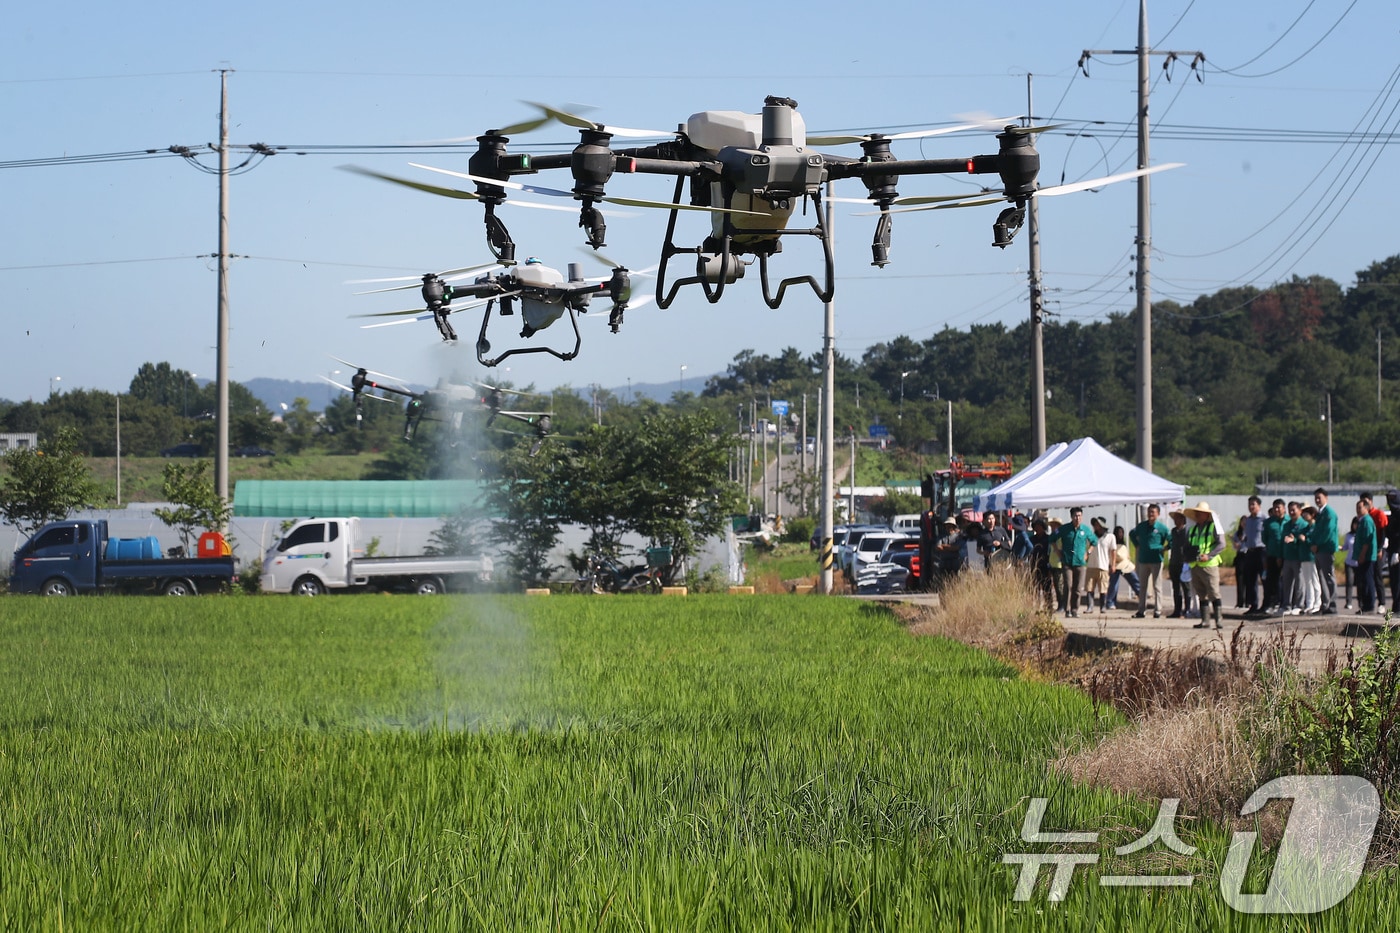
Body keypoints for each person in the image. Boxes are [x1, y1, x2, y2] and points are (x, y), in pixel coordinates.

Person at [1184, 500, 1227, 630]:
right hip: (1195, 564)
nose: (1198, 515)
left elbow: (1222, 544)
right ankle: (1205, 621)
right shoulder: (1192, 530)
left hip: (1209, 564)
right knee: (1201, 593)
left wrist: (1209, 555)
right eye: (1196, 513)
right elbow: (1187, 546)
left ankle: (1219, 620)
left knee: (1214, 592)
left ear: (1206, 515)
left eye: (1200, 513)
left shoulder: (1214, 527)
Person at [1054, 507, 1097, 618]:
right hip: (1067, 562)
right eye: (1075, 516)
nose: (1077, 518)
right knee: (1068, 585)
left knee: (1078, 588)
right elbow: (1052, 538)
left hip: (1080, 562)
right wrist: (1057, 551)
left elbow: (1094, 541)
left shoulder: (1085, 529)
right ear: (1071, 517)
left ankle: (1074, 609)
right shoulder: (1064, 529)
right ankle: (1067, 609)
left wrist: (1088, 552)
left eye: (1079, 516)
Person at [1129, 504, 1170, 619]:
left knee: (1157, 586)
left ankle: (1158, 610)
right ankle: (1141, 610)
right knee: (1142, 586)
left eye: (1153, 512)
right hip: (1143, 559)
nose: (1151, 514)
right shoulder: (1142, 526)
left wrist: (1165, 548)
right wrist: (1137, 545)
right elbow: (1132, 533)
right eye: (1149, 512)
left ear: (1158, 514)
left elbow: (1170, 539)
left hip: (1156, 560)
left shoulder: (1162, 528)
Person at [1235, 496, 1267, 615]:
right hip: (1250, 551)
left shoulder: (1264, 519)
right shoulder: (1248, 520)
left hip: (1262, 551)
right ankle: (1253, 605)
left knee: (1264, 579)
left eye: (1253, 504)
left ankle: (1266, 605)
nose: (1251, 507)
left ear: (1259, 505)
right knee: (1250, 580)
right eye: (1249, 505)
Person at [1311, 488, 1340, 615]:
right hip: (1319, 550)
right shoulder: (1320, 513)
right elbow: (1316, 531)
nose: (1317, 500)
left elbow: (1327, 532)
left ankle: (1332, 605)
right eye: (1316, 497)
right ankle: (1325, 604)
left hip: (1326, 549)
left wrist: (1317, 544)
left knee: (1329, 577)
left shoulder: (1329, 513)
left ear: (1326, 497)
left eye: (1320, 497)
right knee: (1321, 577)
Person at [1277, 501, 1307, 616]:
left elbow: (1303, 540)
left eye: (1294, 510)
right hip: (1287, 557)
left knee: (1299, 583)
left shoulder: (1303, 524)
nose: (1292, 512)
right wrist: (1280, 555)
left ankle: (1299, 605)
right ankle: (1286, 605)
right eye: (1290, 510)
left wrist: (1294, 540)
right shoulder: (1286, 524)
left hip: (1298, 557)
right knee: (1286, 582)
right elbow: (1282, 541)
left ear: (1300, 510)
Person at [1361, 493, 1389, 611]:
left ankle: (1381, 602)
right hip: (1368, 549)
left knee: (1378, 575)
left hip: (1378, 548)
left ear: (1371, 501)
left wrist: (1380, 548)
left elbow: (1383, 532)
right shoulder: (1364, 516)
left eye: (1367, 501)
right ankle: (1367, 603)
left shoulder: (1378, 514)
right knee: (1368, 576)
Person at [1353, 499, 1379, 615]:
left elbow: (1367, 541)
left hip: (1367, 557)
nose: (1358, 510)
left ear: (1366, 508)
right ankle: (1365, 605)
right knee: (1363, 580)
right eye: (1357, 507)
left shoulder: (1367, 521)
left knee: (1368, 581)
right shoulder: (1361, 521)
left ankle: (1369, 605)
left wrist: (1363, 554)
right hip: (1362, 556)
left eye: (1360, 507)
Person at [1107, 524, 1140, 610]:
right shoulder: (1112, 544)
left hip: (1125, 565)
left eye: (1122, 532)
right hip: (1116, 565)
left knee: (1135, 580)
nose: (1120, 534)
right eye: (1119, 532)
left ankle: (1142, 596)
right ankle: (1110, 602)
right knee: (1114, 585)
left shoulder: (1123, 545)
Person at [1262, 499, 1287, 613]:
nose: (1277, 510)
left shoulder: (1288, 521)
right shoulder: (1268, 522)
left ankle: (1284, 603)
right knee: (1272, 580)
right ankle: (1272, 603)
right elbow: (1264, 538)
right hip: (1272, 555)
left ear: (1284, 508)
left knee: (1285, 581)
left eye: (1279, 507)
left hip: (1286, 555)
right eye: (1275, 508)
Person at [1087, 517, 1115, 613]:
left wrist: (1113, 564)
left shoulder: (1110, 537)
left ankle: (1103, 606)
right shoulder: (1090, 536)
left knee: (1103, 588)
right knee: (1089, 587)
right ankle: (1090, 606)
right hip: (1091, 565)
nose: (1096, 526)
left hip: (1103, 566)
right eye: (1095, 524)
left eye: (1098, 524)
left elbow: (1113, 551)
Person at [1168, 509, 1191, 619]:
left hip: (1184, 562)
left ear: (1183, 519)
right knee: (1176, 587)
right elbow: (1171, 544)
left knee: (1186, 587)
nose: (1176, 520)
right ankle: (1177, 610)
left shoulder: (1187, 531)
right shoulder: (1173, 531)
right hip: (1174, 561)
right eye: (1175, 518)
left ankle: (1187, 610)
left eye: (1179, 518)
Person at [1297, 506, 1321, 614]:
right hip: (1304, 557)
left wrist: (1306, 539)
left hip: (1312, 557)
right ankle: (1309, 603)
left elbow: (1313, 540)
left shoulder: (1316, 527)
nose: (1304, 515)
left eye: (1306, 513)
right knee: (1307, 582)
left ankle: (1317, 603)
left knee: (1315, 580)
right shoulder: (1306, 527)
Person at [1343, 516, 1359, 610]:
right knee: (1349, 582)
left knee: (1360, 584)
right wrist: (1340, 548)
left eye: (1357, 524)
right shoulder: (1349, 535)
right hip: (1349, 561)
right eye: (1354, 524)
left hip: (1359, 562)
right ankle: (1348, 602)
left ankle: (1360, 602)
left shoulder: (1360, 535)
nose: (1355, 526)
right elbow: (1346, 547)